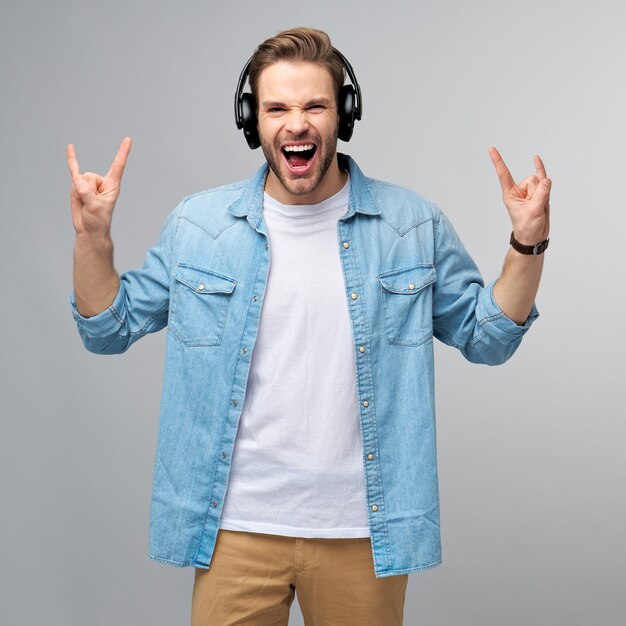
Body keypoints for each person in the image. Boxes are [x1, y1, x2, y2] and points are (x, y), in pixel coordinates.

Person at [67, 27, 551, 626]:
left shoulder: (411, 225)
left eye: (315, 105)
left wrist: (527, 243)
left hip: (363, 532)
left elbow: (488, 338)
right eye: (277, 108)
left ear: (343, 115)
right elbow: (106, 329)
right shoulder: (199, 226)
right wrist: (92, 240)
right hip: (235, 529)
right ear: (253, 121)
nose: (296, 123)